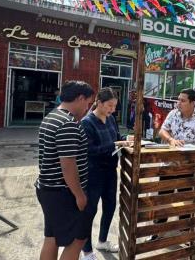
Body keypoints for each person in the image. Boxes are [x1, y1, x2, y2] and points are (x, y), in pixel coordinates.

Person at [35, 81, 95, 260]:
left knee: (52, 237)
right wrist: (79, 195)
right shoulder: (68, 123)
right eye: (88, 103)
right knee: (77, 240)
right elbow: (68, 164)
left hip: (48, 189)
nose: (87, 108)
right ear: (80, 98)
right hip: (63, 192)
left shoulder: (52, 116)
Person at [149, 89, 195, 240]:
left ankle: (184, 230)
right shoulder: (173, 114)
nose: (178, 103)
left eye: (182, 100)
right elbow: (162, 131)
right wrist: (171, 140)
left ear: (193, 103)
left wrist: (192, 154)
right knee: (163, 197)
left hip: (188, 168)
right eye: (178, 99)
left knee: (185, 197)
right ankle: (158, 228)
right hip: (168, 165)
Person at [80, 88, 129, 259]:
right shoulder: (87, 122)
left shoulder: (111, 119)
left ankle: (102, 240)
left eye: (115, 106)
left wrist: (127, 139)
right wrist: (116, 145)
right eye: (109, 105)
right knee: (90, 211)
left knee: (109, 207)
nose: (112, 110)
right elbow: (89, 150)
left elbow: (116, 136)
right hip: (93, 173)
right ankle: (86, 250)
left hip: (110, 171)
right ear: (99, 102)